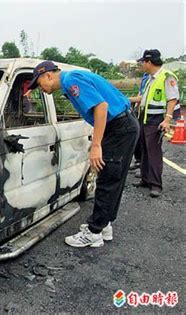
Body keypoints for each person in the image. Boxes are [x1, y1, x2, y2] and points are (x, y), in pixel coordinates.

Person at [27, 61, 139, 248]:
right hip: (123, 126)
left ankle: (94, 232)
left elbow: (101, 107)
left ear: (48, 75)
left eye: (39, 84)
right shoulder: (74, 78)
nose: (40, 88)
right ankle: (104, 224)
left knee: (107, 179)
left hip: (118, 128)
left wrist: (96, 145)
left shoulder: (71, 80)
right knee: (113, 178)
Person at [129, 49, 181, 198]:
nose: (142, 65)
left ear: (149, 62)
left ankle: (156, 184)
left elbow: (172, 99)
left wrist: (167, 119)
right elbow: (143, 99)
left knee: (154, 153)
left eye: (143, 62)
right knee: (144, 149)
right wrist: (126, 100)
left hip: (156, 119)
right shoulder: (150, 78)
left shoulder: (166, 77)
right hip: (145, 117)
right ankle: (145, 179)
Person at [129, 72, 149, 171]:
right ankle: (138, 161)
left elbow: (145, 97)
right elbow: (141, 93)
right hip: (140, 109)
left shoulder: (153, 77)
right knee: (138, 138)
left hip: (148, 112)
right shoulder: (146, 76)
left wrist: (129, 99)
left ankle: (143, 166)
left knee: (144, 140)